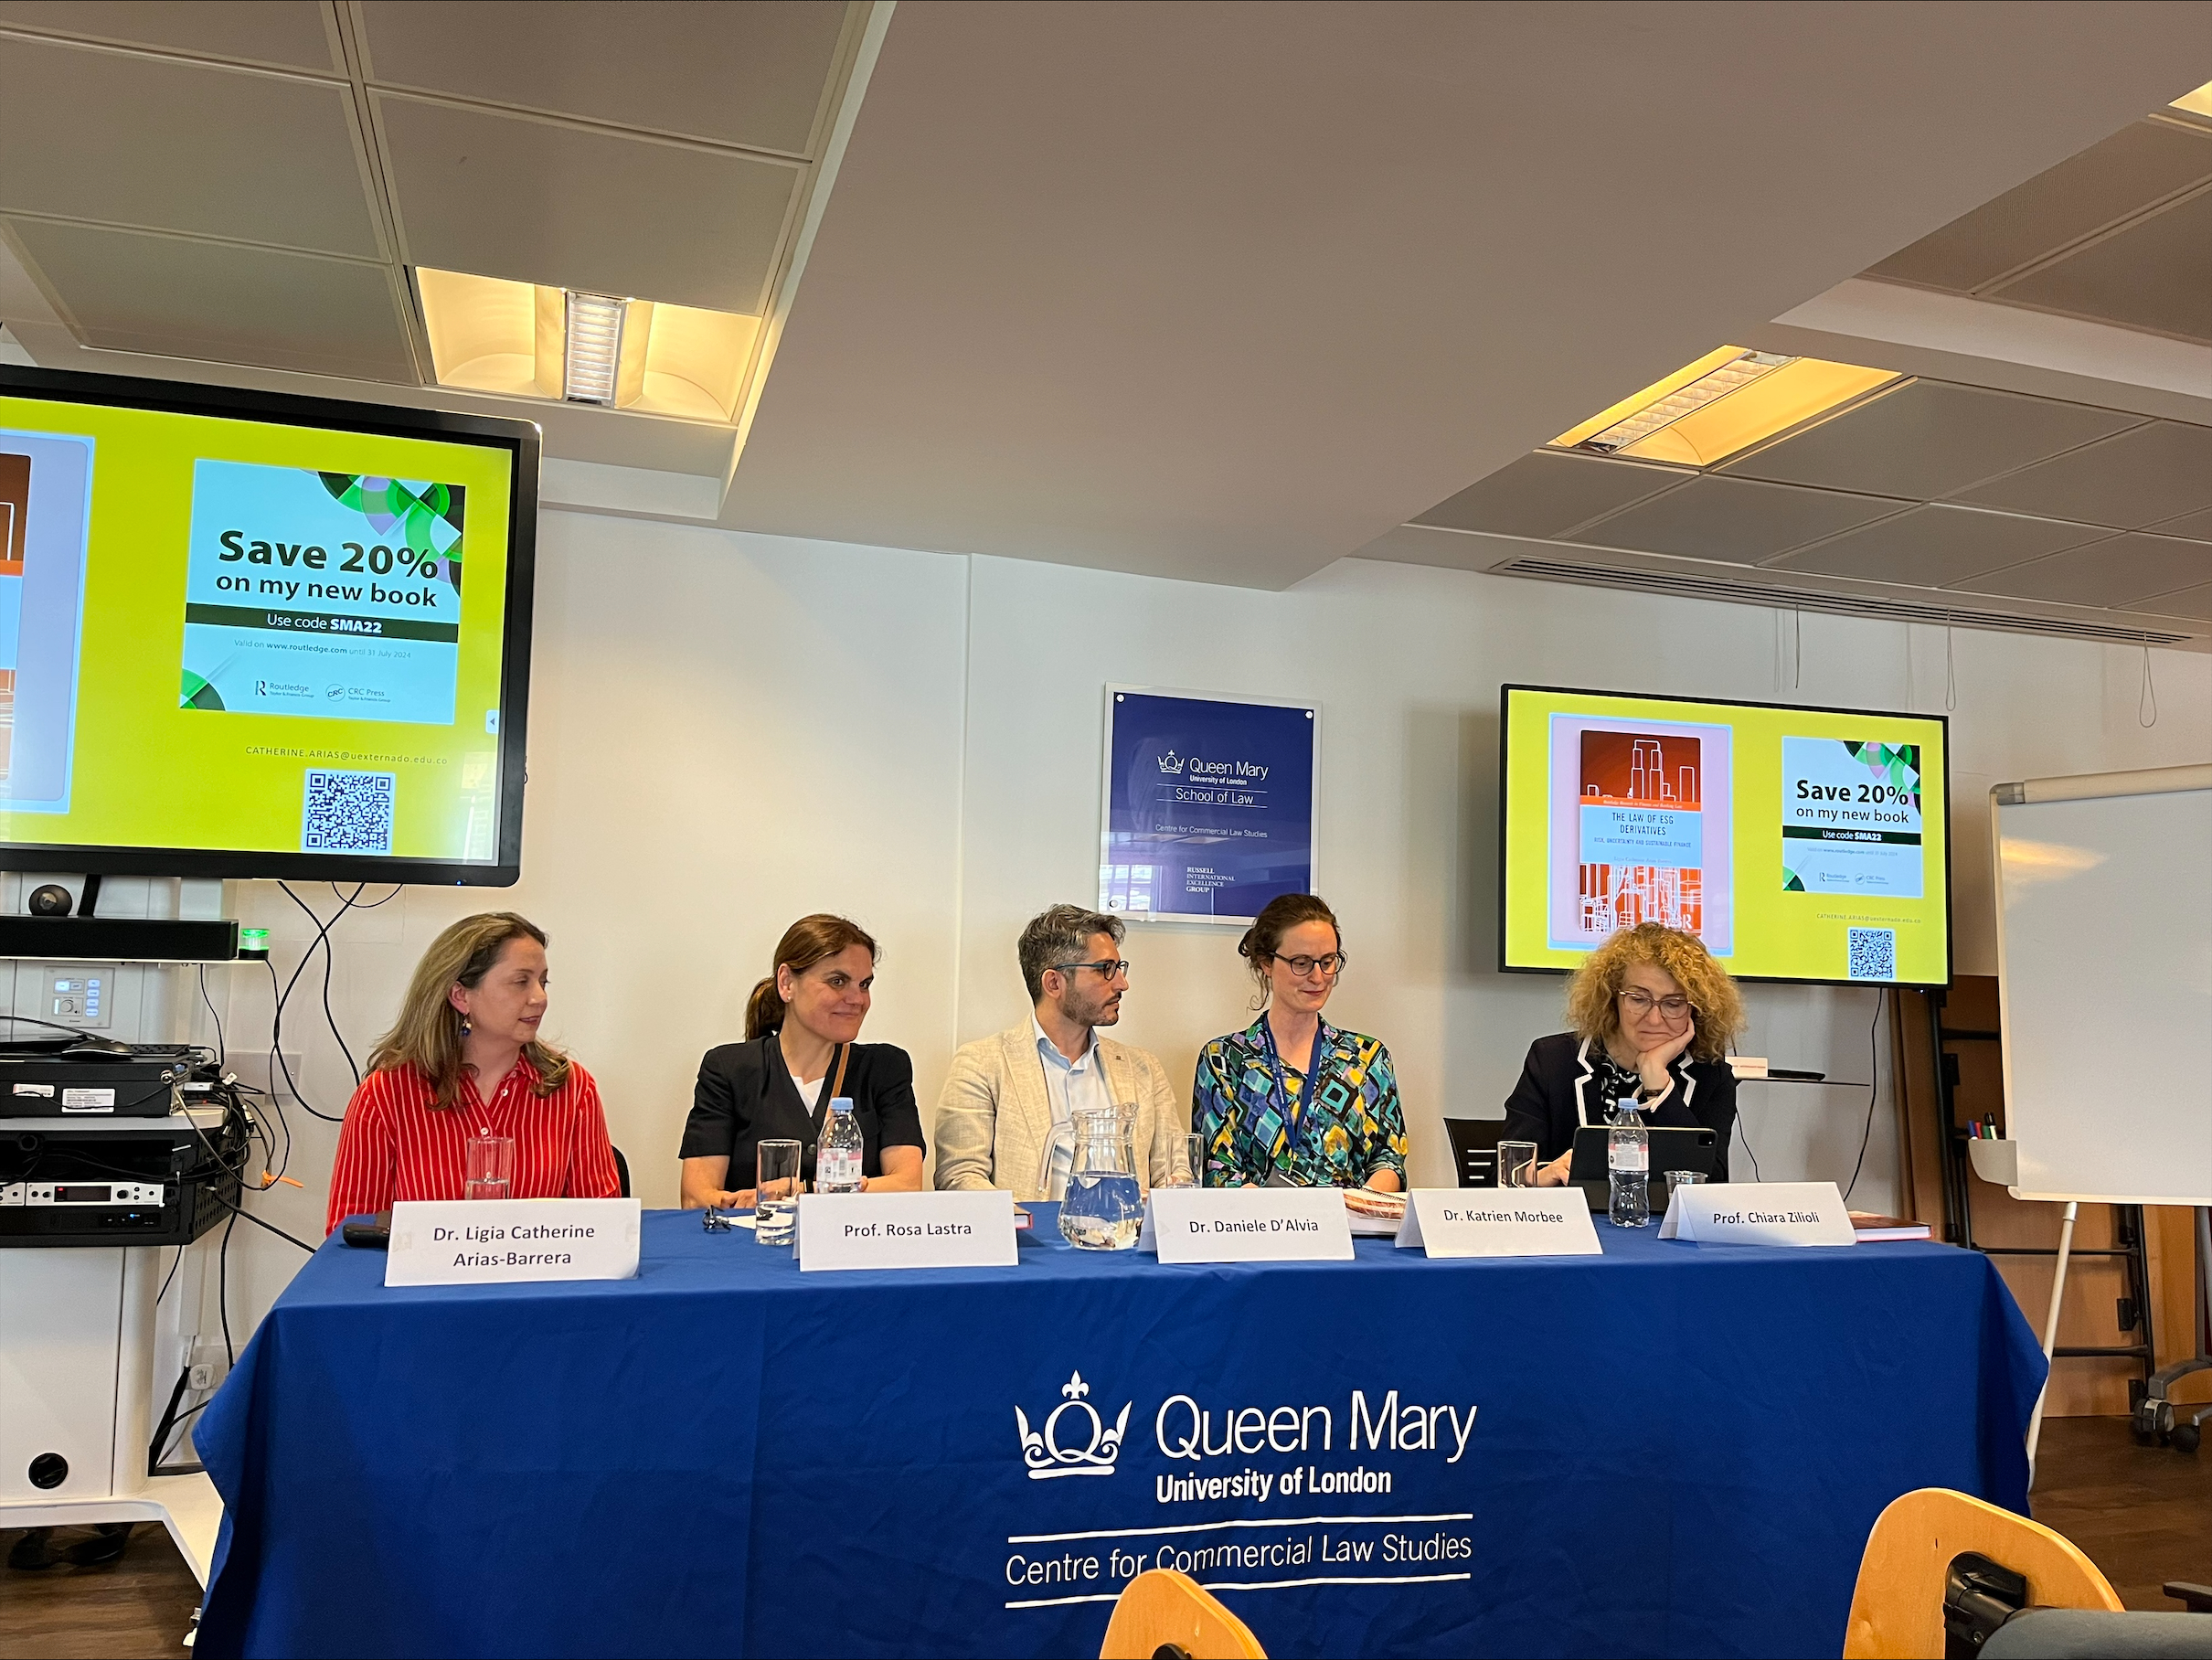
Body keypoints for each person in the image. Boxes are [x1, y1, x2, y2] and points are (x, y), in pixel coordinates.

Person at [325, 912, 622, 1233]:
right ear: (460, 996)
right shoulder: (386, 1095)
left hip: (538, 1282)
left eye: (542, 981)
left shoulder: (573, 1089)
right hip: (423, 1284)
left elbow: (601, 1230)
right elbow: (350, 1237)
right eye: (521, 981)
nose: (540, 998)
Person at [934, 904, 1182, 1199]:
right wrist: (1022, 1222)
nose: (1122, 984)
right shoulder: (982, 1064)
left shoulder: (1143, 1068)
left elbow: (1175, 1169)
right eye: (1106, 970)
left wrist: (1162, 1198)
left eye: (1119, 968)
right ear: (1054, 983)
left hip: (1126, 1239)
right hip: (1027, 1242)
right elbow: (960, 1175)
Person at [679, 915, 924, 1207]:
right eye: (838, 981)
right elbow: (696, 1198)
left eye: (864, 984)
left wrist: (798, 1193)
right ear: (787, 984)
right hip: (752, 1247)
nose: (857, 999)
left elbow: (907, 1185)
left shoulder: (885, 1067)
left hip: (848, 1248)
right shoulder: (728, 1069)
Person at [1503, 920, 1744, 1186]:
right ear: (1611, 999)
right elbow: (1505, 1175)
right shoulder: (1552, 1060)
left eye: (1673, 1004)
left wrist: (1658, 1084)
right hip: (1571, 1223)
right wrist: (1545, 1175)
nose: (1654, 1019)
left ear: (1694, 1010)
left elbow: (1710, 1183)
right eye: (1638, 999)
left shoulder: (1712, 1075)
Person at [1194, 893, 1407, 1191]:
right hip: (1260, 1230)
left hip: (1350, 1231)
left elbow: (1389, 1159)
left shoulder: (1367, 1057)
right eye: (1302, 963)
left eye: (1328, 961)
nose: (1318, 978)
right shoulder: (1225, 1059)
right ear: (1266, 962)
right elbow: (1217, 1168)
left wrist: (1357, 1208)